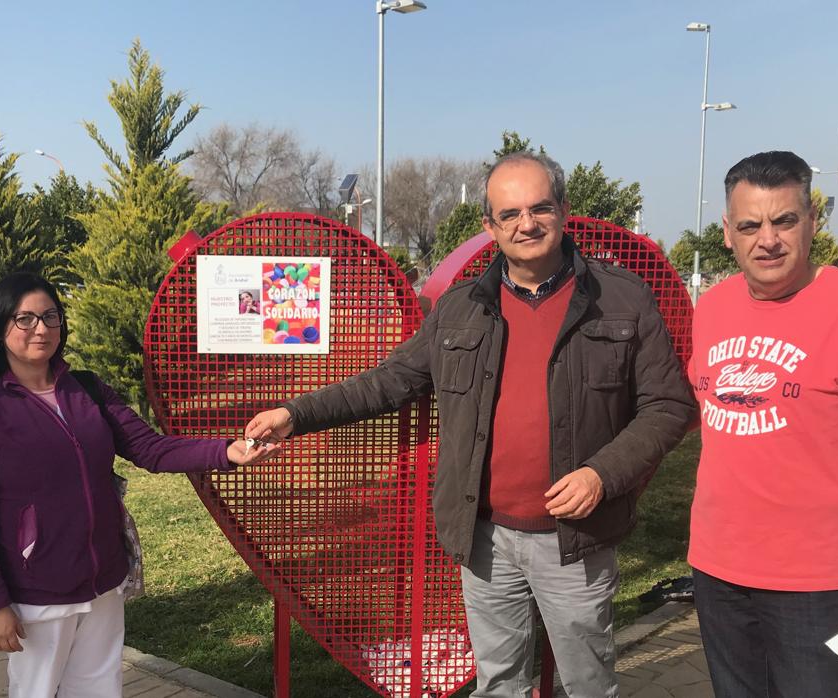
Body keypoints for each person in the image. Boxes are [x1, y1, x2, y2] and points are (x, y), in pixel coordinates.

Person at [246, 152, 696, 697]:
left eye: (539, 208)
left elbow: (669, 406)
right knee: (498, 683)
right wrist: (295, 413)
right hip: (486, 538)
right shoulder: (462, 309)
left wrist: (601, 474)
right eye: (509, 214)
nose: (526, 224)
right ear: (490, 226)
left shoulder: (622, 298)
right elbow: (389, 381)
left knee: (587, 686)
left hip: (576, 538)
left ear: (564, 210)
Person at [0, 271, 277, 698]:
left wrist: (227, 452)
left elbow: (150, 449)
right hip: (38, 593)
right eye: (24, 319)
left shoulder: (87, 390)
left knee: (100, 690)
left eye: (50, 316)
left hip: (103, 581)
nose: (41, 329)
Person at [688, 150, 838, 696]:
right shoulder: (713, 307)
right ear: (728, 232)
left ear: (811, 221)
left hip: (818, 583)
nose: (766, 239)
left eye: (784, 220)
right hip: (718, 571)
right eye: (749, 225)